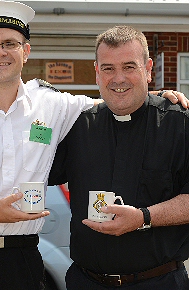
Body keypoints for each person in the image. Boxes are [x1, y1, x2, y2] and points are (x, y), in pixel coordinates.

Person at [0, 0, 100, 290]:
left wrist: (159, 95)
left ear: (26, 52)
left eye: (10, 43)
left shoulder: (52, 104)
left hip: (23, 261)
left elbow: (113, 105)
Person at [48, 25, 189, 289]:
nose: (118, 78)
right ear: (97, 72)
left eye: (129, 67)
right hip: (86, 282)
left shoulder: (178, 123)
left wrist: (144, 217)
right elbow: (33, 160)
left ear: (148, 69)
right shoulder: (77, 126)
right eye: (109, 68)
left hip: (159, 282)